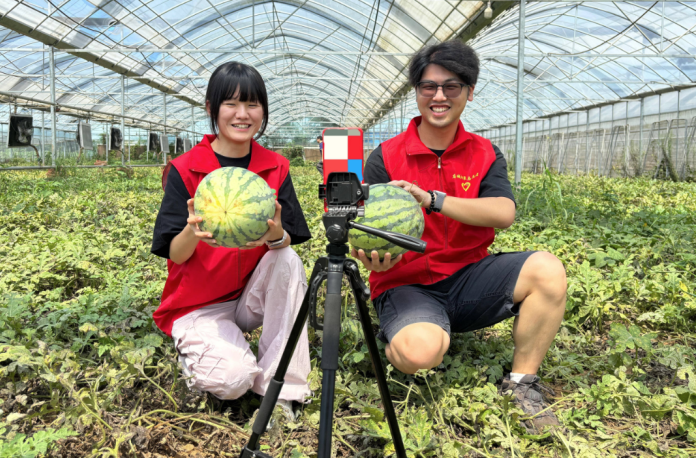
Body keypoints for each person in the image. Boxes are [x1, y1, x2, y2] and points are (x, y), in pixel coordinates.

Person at [351, 40, 567, 434]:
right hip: (406, 283)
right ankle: (406, 330)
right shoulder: (385, 156)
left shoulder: (484, 153)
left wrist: (433, 200)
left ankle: (521, 383)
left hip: (470, 279)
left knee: (547, 271)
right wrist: (370, 255)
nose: (439, 96)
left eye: (451, 86)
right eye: (428, 86)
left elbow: (503, 212)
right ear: (416, 92)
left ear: (469, 91)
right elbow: (366, 224)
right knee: (420, 354)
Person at [151, 62, 312, 420]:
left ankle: (283, 388)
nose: (243, 114)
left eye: (252, 104)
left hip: (248, 299)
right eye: (231, 104)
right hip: (198, 305)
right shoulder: (185, 169)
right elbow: (174, 253)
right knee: (234, 380)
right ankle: (197, 352)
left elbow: (288, 239)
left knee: (287, 259)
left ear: (263, 111)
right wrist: (192, 230)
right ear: (212, 108)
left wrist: (275, 235)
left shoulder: (276, 167)